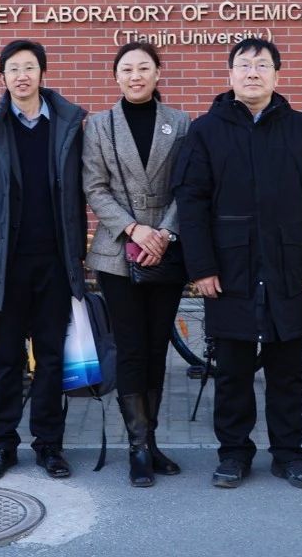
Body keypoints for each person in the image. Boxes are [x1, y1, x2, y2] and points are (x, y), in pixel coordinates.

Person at [173, 37, 302, 489]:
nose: (252, 72)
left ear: (277, 75)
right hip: (229, 270)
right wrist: (201, 267)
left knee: (288, 372)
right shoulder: (206, 131)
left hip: (289, 267)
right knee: (232, 372)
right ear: (229, 75)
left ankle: (289, 454)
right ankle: (233, 453)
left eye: (262, 65)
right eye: (243, 65)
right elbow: (191, 202)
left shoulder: (301, 129)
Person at [0, 40, 88, 481]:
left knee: (51, 356)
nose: (21, 75)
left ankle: (49, 445)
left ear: (42, 73)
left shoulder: (69, 124)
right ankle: (2, 445)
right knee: (7, 359)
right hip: (5, 264)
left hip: (54, 260)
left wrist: (79, 257)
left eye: (29, 67)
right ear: (2, 77)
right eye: (13, 68)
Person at [82, 42, 191, 487]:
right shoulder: (99, 125)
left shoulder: (180, 122)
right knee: (130, 348)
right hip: (116, 251)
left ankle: (153, 439)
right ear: (116, 77)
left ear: (158, 72)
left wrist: (163, 233)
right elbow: (94, 186)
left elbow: (189, 185)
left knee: (156, 348)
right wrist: (133, 229)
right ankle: (137, 447)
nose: (135, 76)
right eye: (127, 69)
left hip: (165, 249)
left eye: (144, 68)